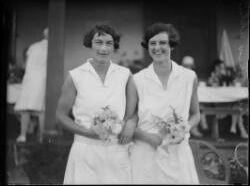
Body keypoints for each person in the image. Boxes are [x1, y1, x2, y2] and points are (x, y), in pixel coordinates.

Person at [56, 24, 137, 184]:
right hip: (86, 151)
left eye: (109, 43)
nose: (103, 48)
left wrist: (131, 123)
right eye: (98, 42)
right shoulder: (75, 75)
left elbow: (134, 111)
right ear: (90, 44)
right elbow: (60, 116)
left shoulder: (125, 74)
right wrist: (88, 133)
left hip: (117, 151)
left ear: (114, 46)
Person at [129, 23, 200, 184]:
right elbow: (128, 120)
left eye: (162, 43)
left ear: (172, 45)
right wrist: (148, 137)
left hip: (179, 155)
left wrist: (185, 129)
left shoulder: (189, 77)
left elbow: (195, 114)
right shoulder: (137, 80)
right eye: (152, 43)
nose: (157, 48)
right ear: (147, 46)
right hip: (146, 156)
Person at [14, 28, 49, 143]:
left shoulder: (33, 47)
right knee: (42, 110)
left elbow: (25, 66)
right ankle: (41, 138)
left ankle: (23, 135)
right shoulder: (52, 47)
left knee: (25, 109)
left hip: (29, 79)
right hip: (42, 80)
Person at [181, 55, 206, 138]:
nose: (188, 67)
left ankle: (198, 126)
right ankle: (193, 129)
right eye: (186, 65)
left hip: (191, 100)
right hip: (182, 100)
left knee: (199, 107)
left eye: (190, 66)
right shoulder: (180, 74)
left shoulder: (193, 75)